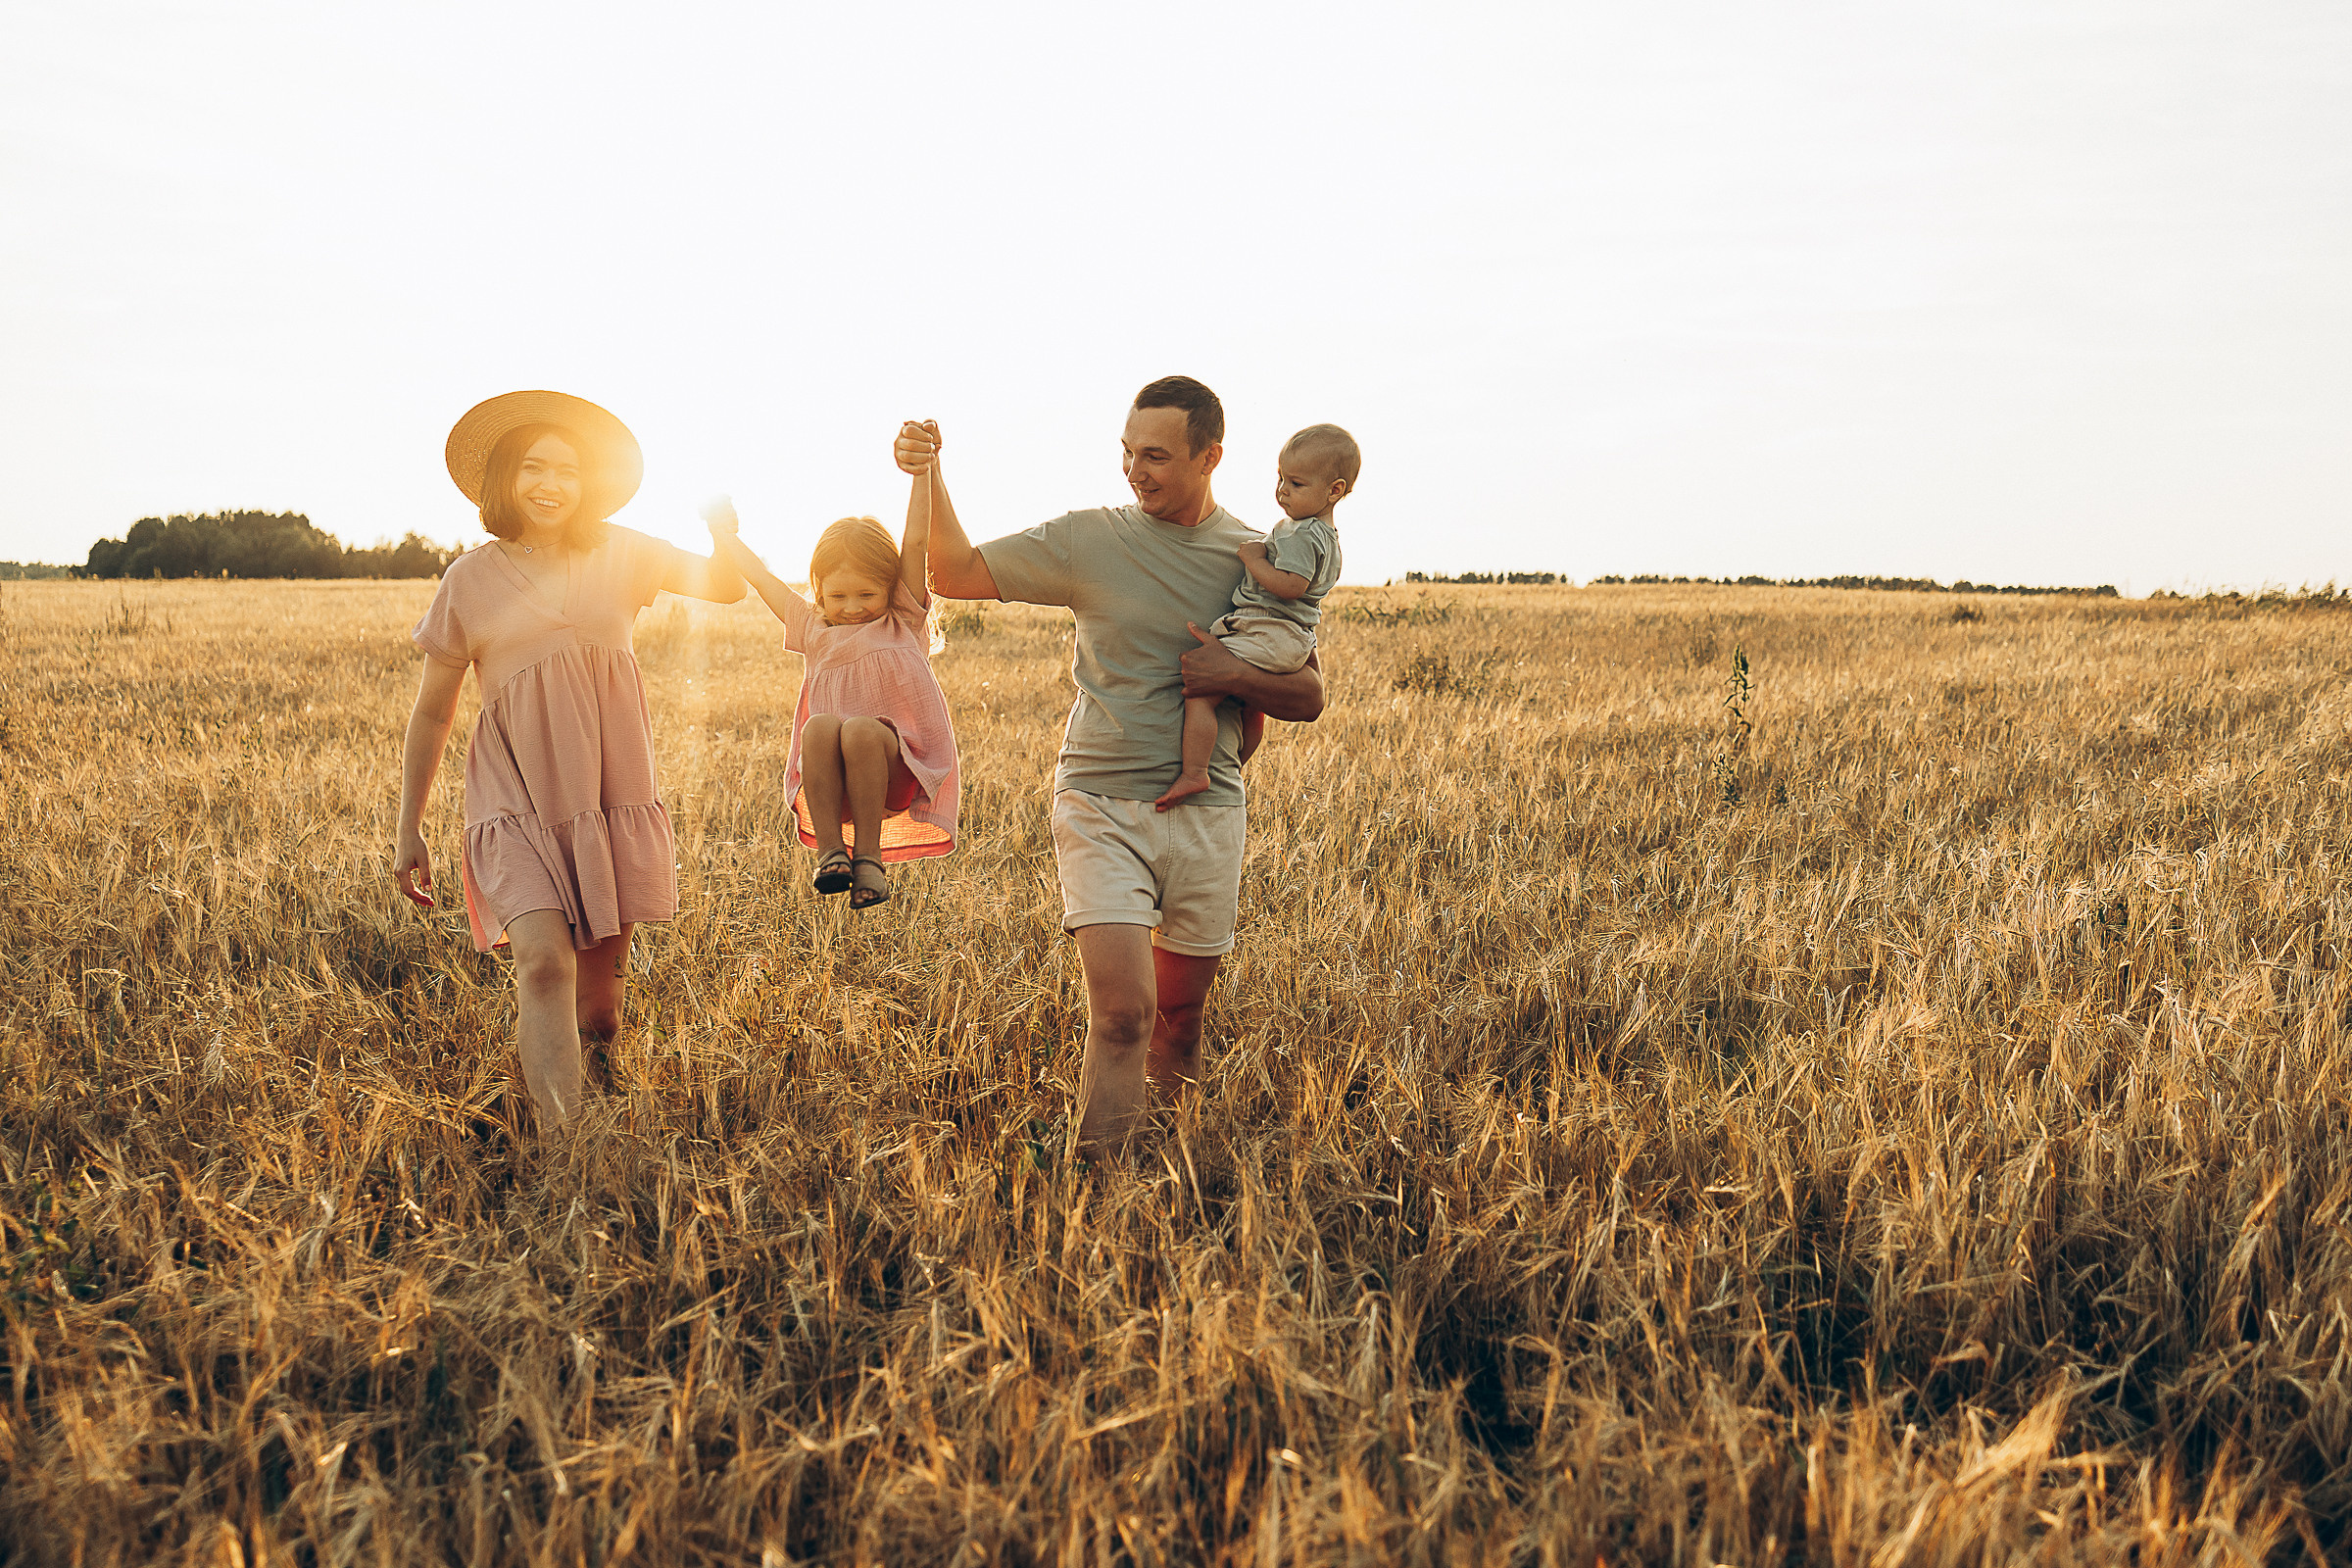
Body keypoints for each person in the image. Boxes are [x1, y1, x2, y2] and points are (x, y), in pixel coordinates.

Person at [896, 377, 1326, 1147]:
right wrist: (929, 476)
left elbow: (1309, 693)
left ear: (1210, 456)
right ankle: (1099, 1193)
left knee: (1182, 1023)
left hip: (1209, 811)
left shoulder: (1257, 558)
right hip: (1099, 802)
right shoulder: (1090, 539)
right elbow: (952, 574)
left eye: (1156, 456)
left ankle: (1163, 1183)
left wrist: (1232, 677)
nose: (1135, 470)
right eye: (1128, 453)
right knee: (1125, 1015)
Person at [393, 390, 745, 1129]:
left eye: (567, 470)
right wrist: (409, 828)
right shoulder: (468, 580)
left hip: (606, 793)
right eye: (533, 468)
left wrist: (723, 532)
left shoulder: (624, 551)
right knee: (543, 964)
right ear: (504, 481)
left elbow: (723, 586)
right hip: (512, 797)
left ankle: (600, 1068)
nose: (550, 484)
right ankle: (567, 1154)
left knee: (604, 1016)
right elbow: (433, 710)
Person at [702, 444, 958, 909]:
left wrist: (922, 475)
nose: (853, 607)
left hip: (897, 771)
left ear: (890, 586)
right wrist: (721, 533)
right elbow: (760, 577)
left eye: (866, 593)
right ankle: (830, 854)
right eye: (839, 595)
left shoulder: (902, 618)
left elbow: (916, 544)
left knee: (860, 728)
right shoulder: (812, 626)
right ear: (819, 588)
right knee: (819, 726)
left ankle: (869, 859)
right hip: (833, 779)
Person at [1154, 424, 1355, 810]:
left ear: (1334, 490)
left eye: (1296, 483)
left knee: (1203, 692)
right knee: (1250, 702)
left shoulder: (1299, 533)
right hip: (1291, 636)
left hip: (1269, 628)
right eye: (1280, 478)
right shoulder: (1328, 536)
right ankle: (1240, 759)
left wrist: (1253, 558)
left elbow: (1291, 586)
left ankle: (1197, 771)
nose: (1282, 490)